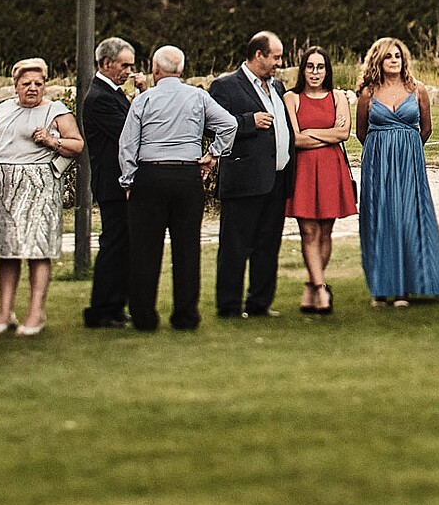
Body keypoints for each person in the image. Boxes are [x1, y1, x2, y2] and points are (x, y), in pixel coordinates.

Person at [118, 46, 236, 331]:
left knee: (145, 250)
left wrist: (128, 180)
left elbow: (128, 144)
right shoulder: (198, 96)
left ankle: (144, 316)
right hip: (186, 175)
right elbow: (229, 124)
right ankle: (186, 315)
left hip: (151, 175)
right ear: (181, 71)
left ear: (155, 70)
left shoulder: (144, 99)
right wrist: (213, 154)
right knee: (187, 247)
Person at [0, 57, 82, 336]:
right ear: (15, 85)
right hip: (5, 189)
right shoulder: (2, 109)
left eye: (39, 83)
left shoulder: (56, 111)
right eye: (26, 83)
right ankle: (4, 313)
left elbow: (77, 145)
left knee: (38, 249)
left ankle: (36, 312)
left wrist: (52, 141)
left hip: (40, 187)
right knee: (7, 251)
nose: (33, 88)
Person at [353, 37, 439, 306]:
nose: (393, 60)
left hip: (409, 162)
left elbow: (425, 129)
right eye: (388, 56)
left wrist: (406, 147)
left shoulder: (418, 90)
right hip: (377, 162)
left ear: (404, 59)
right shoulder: (368, 93)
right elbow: (361, 132)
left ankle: (405, 287)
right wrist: (383, 147)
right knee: (381, 218)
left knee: (407, 218)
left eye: (397, 56)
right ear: (378, 61)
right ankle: (380, 288)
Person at [210, 32, 293, 319]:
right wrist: (248, 122)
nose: (279, 63)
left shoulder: (278, 87)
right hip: (245, 181)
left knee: (268, 245)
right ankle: (229, 306)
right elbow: (212, 126)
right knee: (235, 245)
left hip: (276, 178)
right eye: (276, 57)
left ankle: (260, 303)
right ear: (259, 55)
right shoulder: (226, 87)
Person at [287, 45, 358, 315]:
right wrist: (327, 133)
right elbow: (295, 139)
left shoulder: (337, 97)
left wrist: (311, 133)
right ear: (303, 70)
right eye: (310, 66)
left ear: (327, 70)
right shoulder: (291, 98)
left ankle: (311, 283)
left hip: (331, 168)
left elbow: (343, 135)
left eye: (320, 67)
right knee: (308, 231)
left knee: (326, 231)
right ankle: (320, 289)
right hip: (303, 170)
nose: (315, 72)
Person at [81, 38, 136, 328]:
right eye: (124, 65)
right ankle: (101, 308)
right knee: (114, 244)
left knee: (124, 244)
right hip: (113, 184)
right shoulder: (100, 97)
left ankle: (116, 304)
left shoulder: (113, 93)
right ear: (106, 63)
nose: (129, 70)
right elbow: (128, 132)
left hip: (119, 182)